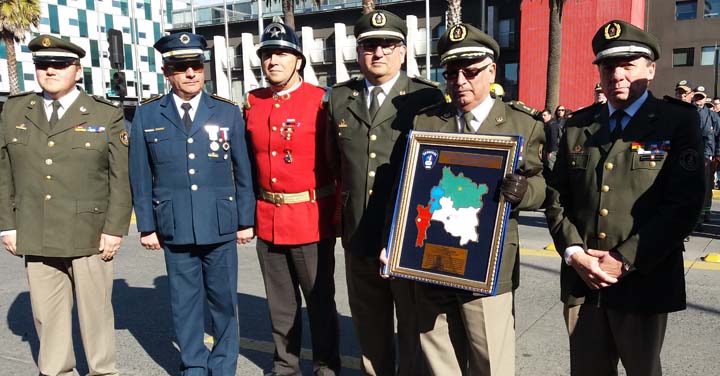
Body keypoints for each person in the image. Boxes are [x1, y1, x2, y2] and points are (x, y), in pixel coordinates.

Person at [545, 20, 704, 376]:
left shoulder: (675, 122)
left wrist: (624, 258)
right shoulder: (577, 126)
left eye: (628, 64)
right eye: (608, 65)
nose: (617, 74)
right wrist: (573, 253)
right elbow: (556, 197)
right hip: (582, 281)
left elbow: (684, 204)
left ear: (650, 69)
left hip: (643, 281)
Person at [387, 23, 546, 374]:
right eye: (452, 72)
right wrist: (396, 243)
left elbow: (544, 188)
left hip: (487, 265)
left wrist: (524, 193)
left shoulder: (522, 125)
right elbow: (407, 186)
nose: (460, 80)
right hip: (430, 262)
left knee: (491, 361)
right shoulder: (427, 121)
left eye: (471, 71)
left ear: (491, 70)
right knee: (439, 358)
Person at [0, 35, 132, 376]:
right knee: (47, 315)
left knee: (95, 315)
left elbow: (120, 177)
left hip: (89, 233)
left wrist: (115, 229)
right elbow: (3, 172)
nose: (50, 70)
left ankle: (103, 372)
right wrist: (8, 225)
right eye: (43, 65)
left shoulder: (105, 113)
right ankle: (56, 371)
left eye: (59, 64)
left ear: (77, 69)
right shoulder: (15, 109)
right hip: (36, 229)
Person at [325, 9, 444, 376]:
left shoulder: (426, 97)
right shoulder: (339, 98)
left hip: (409, 234)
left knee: (412, 327)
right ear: (359, 52)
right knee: (369, 324)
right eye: (369, 46)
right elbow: (335, 164)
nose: (378, 53)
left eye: (388, 45)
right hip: (359, 229)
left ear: (404, 51)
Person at [129, 32, 255, 376]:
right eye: (181, 67)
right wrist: (147, 225)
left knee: (224, 302)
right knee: (184, 304)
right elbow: (140, 174)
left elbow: (243, 170)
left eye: (196, 66)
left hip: (220, 222)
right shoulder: (148, 114)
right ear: (167, 72)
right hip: (174, 224)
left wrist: (246, 219)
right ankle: (194, 365)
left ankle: (224, 365)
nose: (190, 74)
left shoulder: (227, 113)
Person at [243, 18, 340, 376]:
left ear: (298, 60)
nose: (273, 61)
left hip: (311, 217)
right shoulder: (253, 103)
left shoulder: (322, 102)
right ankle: (285, 367)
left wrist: (338, 218)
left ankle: (327, 367)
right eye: (267, 54)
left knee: (319, 304)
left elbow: (338, 162)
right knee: (280, 306)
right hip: (268, 216)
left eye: (281, 53)